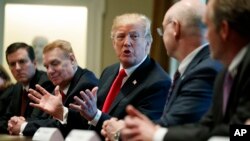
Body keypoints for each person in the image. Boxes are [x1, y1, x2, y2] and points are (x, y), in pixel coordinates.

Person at [121, 0, 250, 140]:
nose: (205, 36)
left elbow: (239, 132)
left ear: (224, 29)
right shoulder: (225, 73)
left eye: (208, 26)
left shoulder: (226, 68)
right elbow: (208, 127)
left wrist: (155, 134)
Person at [28, 13, 171, 137]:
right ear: (114, 43)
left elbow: (138, 133)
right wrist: (62, 112)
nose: (127, 43)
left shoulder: (158, 82)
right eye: (121, 37)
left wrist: (95, 115)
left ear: (148, 43)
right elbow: (88, 122)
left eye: (134, 36)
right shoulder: (109, 71)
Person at [101, 0, 223, 140]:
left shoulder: (204, 71)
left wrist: (124, 130)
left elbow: (176, 124)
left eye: (163, 30)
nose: (127, 42)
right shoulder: (198, 67)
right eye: (121, 36)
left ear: (175, 28)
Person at [9, 39, 99, 137]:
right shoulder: (59, 86)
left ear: (72, 60)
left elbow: (62, 126)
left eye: (55, 64)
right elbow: (43, 119)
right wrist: (22, 121)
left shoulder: (85, 84)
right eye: (46, 67)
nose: (50, 71)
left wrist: (24, 126)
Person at [0, 42, 54, 134]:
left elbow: (35, 120)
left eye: (22, 61)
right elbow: (4, 118)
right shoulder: (17, 86)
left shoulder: (45, 83)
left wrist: (16, 125)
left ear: (34, 63)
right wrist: (12, 124)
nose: (17, 68)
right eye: (12, 64)